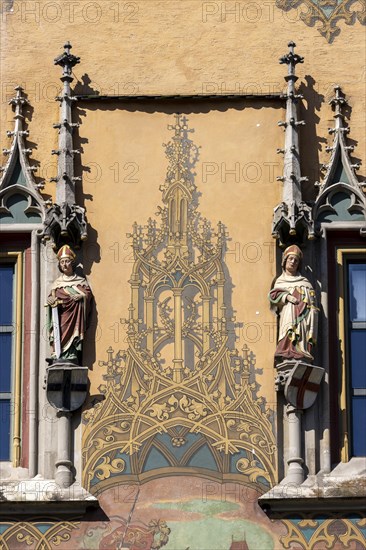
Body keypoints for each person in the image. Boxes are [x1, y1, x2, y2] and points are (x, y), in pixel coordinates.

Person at [269, 244, 318, 363]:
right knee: (288, 330)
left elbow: (313, 300)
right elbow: (273, 295)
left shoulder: (304, 282)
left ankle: (302, 351)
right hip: (288, 313)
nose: (293, 262)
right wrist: (287, 297)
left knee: (302, 335)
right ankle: (286, 350)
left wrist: (312, 308)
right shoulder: (280, 281)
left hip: (304, 316)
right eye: (290, 259)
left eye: (296, 260)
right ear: (285, 261)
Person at [47, 245, 92, 364]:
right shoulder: (58, 283)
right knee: (59, 331)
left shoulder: (80, 281)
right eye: (62, 262)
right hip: (62, 316)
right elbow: (52, 296)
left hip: (75, 316)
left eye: (67, 261)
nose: (64, 264)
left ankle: (71, 354)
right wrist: (51, 300)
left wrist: (81, 296)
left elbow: (87, 294)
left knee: (73, 334)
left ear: (72, 263)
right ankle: (57, 353)